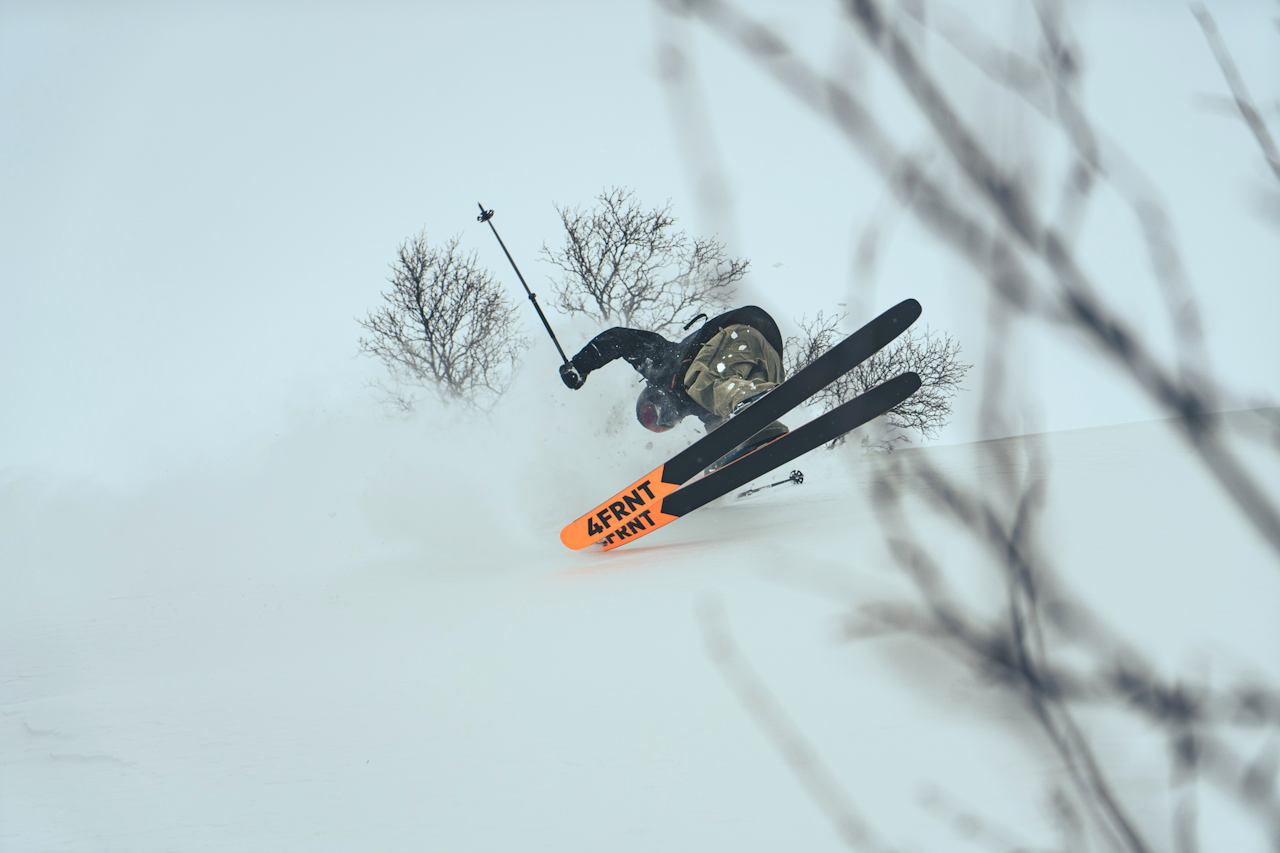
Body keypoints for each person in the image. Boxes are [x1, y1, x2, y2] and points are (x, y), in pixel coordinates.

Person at [558, 306, 789, 468]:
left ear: (654, 396)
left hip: (741, 330)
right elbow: (718, 428)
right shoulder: (703, 405)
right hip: (769, 362)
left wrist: (581, 365)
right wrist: (720, 464)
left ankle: (752, 406)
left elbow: (622, 339)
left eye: (653, 415)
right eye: (661, 427)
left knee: (698, 380)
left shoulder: (661, 363)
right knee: (721, 409)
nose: (663, 422)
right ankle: (762, 423)